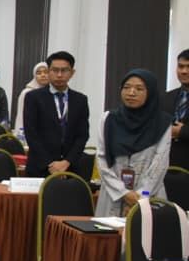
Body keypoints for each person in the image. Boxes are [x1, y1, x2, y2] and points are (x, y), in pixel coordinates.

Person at [95, 69, 170, 217]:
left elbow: (160, 164)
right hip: (113, 194)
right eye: (126, 87)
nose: (131, 93)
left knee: (145, 230)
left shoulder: (162, 123)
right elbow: (101, 158)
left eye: (139, 89)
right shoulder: (108, 119)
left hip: (149, 195)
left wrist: (139, 198)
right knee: (109, 230)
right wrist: (123, 193)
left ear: (150, 92)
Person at [23, 51, 90, 179]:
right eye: (55, 70)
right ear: (48, 71)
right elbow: (31, 134)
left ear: (72, 73)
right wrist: (50, 164)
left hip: (70, 169)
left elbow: (82, 135)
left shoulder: (80, 100)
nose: (59, 75)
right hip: (40, 168)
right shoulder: (33, 97)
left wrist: (66, 162)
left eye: (64, 70)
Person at [163, 49, 189, 169]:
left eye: (188, 67)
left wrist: (182, 132)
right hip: (167, 167)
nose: (184, 71)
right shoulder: (166, 98)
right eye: (181, 66)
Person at [13, 62, 49, 133]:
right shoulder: (27, 93)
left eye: (46, 72)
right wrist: (20, 133)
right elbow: (21, 116)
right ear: (35, 76)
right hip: (30, 133)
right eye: (39, 73)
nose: (43, 75)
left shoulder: (53, 92)